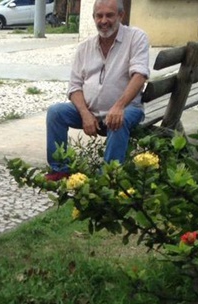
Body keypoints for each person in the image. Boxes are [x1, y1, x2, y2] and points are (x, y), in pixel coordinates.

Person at [45, 0, 150, 181]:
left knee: (119, 120)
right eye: (99, 16)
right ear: (93, 17)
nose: (103, 21)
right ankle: (60, 170)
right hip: (91, 111)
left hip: (127, 109)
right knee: (56, 113)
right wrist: (85, 113)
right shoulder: (84, 48)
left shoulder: (136, 37)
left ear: (120, 16)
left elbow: (139, 75)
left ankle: (107, 178)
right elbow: (74, 87)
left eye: (109, 15)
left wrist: (118, 107)